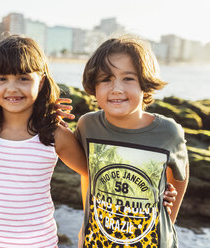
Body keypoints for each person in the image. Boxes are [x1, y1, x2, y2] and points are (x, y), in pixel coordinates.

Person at [0, 35, 89, 248]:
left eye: (23, 78)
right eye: (1, 78)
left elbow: (90, 173)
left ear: (40, 82)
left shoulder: (55, 134)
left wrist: (87, 225)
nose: (12, 88)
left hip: (39, 242)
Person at [76, 36, 188, 248]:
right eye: (106, 79)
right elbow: (88, 175)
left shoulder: (168, 132)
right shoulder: (87, 126)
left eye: (128, 78)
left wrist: (168, 219)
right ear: (94, 84)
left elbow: (180, 178)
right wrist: (85, 227)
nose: (116, 88)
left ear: (145, 83)